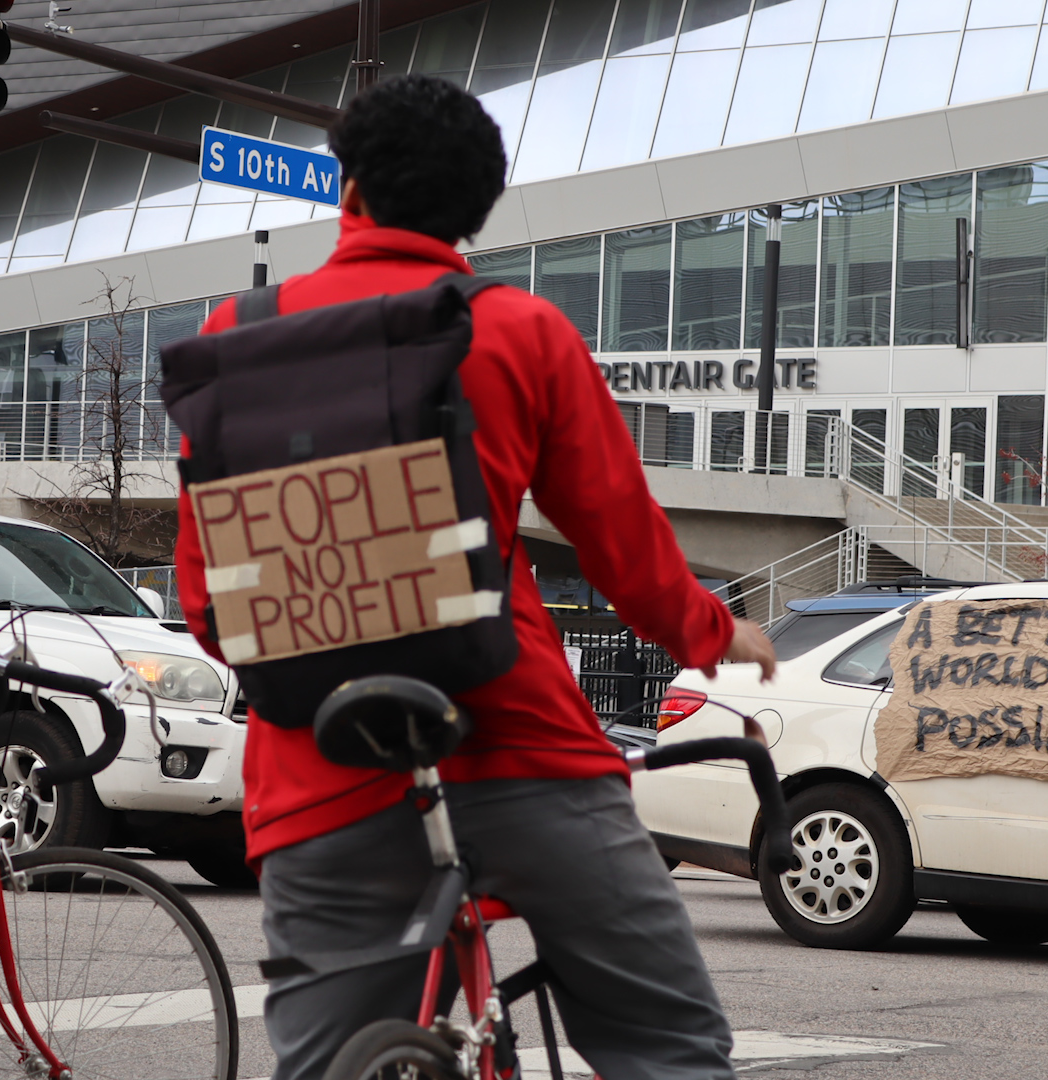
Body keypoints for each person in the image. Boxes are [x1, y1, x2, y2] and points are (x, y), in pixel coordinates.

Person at [174, 75, 778, 1080]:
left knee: (326, 1063)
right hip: (520, 751)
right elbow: (620, 545)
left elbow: (209, 604)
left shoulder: (239, 331)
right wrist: (714, 633)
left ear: (349, 192)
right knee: (666, 1044)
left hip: (322, 767)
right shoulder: (521, 330)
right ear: (475, 211)